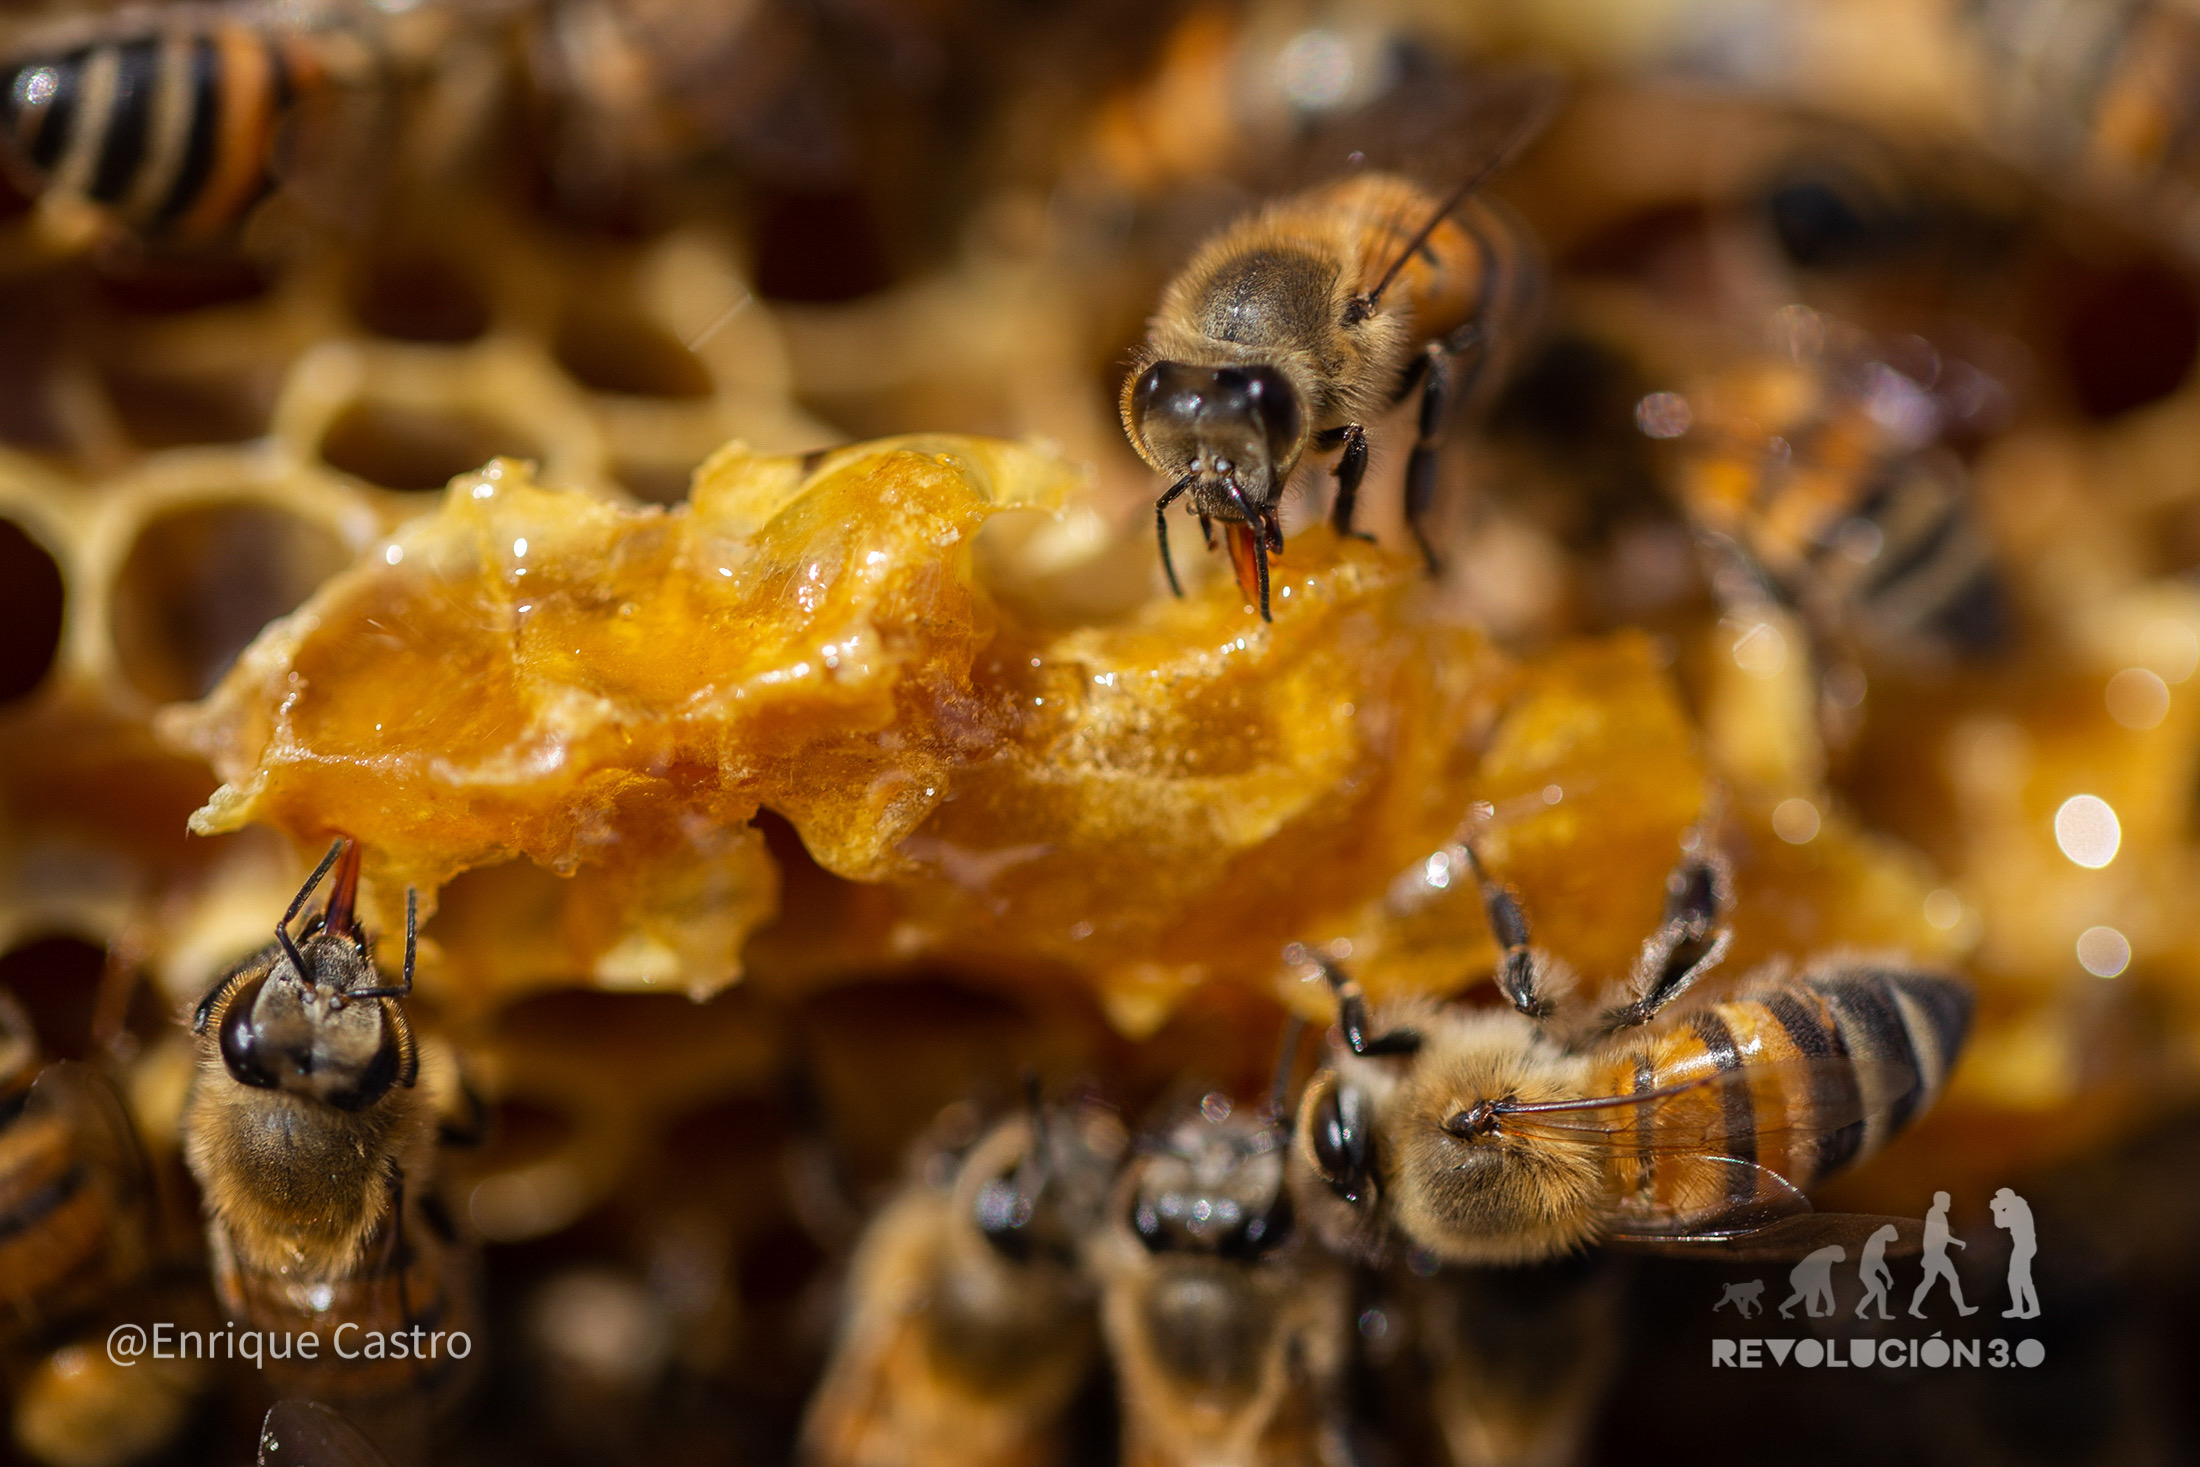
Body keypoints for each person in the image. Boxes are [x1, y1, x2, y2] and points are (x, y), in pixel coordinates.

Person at [1909, 1191, 1978, 1317]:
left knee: (1943, 1280)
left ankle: (1961, 1308)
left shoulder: (1936, 1214)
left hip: (1937, 1255)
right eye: (1947, 1202)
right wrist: (1959, 1242)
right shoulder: (1936, 1215)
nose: (1949, 1204)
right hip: (1935, 1256)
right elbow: (1941, 1235)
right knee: (1933, 1281)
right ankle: (1914, 1308)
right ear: (1940, 1202)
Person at [1990, 1187, 2039, 1319]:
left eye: (1999, 1198)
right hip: (2023, 1245)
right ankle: (2022, 1308)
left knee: (2020, 1279)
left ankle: (2030, 1309)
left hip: (2024, 1246)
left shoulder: (2016, 1206)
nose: (1998, 1201)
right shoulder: (2018, 1205)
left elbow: (2000, 1223)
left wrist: (1996, 1209)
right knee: (2017, 1279)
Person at [1778, 1245, 1845, 1318]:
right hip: (1799, 1275)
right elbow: (1825, 1284)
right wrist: (1831, 1305)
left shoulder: (1826, 1255)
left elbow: (1824, 1283)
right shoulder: (1823, 1257)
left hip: (1804, 1275)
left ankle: (1811, 1311)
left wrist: (1831, 1305)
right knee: (1805, 1293)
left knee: (1807, 1292)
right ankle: (1783, 1308)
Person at [1856, 1222, 1899, 1319]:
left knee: (1874, 1292)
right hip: (1867, 1273)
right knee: (1880, 1291)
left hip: (1867, 1272)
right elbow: (1879, 1262)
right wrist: (1888, 1277)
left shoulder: (1878, 1238)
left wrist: (1888, 1277)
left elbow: (1879, 1262)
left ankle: (1859, 1310)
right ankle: (1882, 1315)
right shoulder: (1877, 1239)